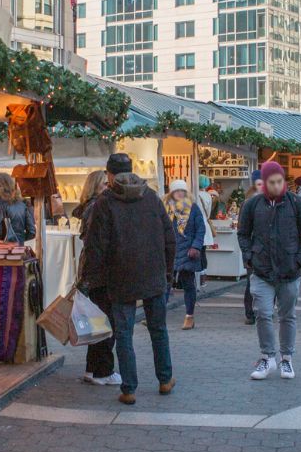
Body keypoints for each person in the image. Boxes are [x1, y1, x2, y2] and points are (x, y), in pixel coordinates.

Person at [81, 153, 177, 405]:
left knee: (124, 333)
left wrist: (90, 277)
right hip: (154, 275)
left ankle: (129, 388)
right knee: (158, 329)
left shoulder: (106, 202)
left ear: (110, 175)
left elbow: (96, 245)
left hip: (120, 276)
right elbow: (170, 236)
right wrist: (168, 271)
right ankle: (165, 379)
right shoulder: (152, 198)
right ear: (132, 171)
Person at [238, 160, 301, 381]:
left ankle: (287, 358)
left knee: (287, 316)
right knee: (262, 313)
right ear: (263, 183)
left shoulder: (295, 203)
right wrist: (249, 256)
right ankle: (267, 356)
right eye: (271, 182)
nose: (276, 185)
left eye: (279, 181)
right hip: (262, 270)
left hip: (289, 271)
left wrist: (299, 259)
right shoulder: (253, 205)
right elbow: (243, 233)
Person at [74, 170, 119, 386]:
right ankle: (103, 371)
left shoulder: (90, 207)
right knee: (105, 323)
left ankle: (93, 369)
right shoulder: (97, 207)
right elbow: (95, 244)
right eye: (104, 185)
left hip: (92, 273)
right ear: (95, 187)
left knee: (97, 321)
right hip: (99, 274)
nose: (107, 188)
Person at [166, 179, 208, 329]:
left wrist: (196, 246)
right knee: (165, 284)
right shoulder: (166, 208)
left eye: (182, 191)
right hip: (170, 251)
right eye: (176, 191)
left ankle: (189, 316)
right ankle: (158, 315)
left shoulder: (193, 208)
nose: (179, 193)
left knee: (188, 283)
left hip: (188, 251)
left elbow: (200, 229)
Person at [0, 171, 36, 243]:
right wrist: (18, 240)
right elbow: (32, 232)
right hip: (19, 250)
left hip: (2, 251)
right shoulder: (22, 204)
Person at [242, 168, 264, 325]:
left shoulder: (247, 200)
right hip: (260, 248)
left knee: (252, 281)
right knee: (266, 280)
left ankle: (250, 313)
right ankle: (260, 311)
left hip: (253, 248)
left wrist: (246, 251)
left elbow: (242, 230)